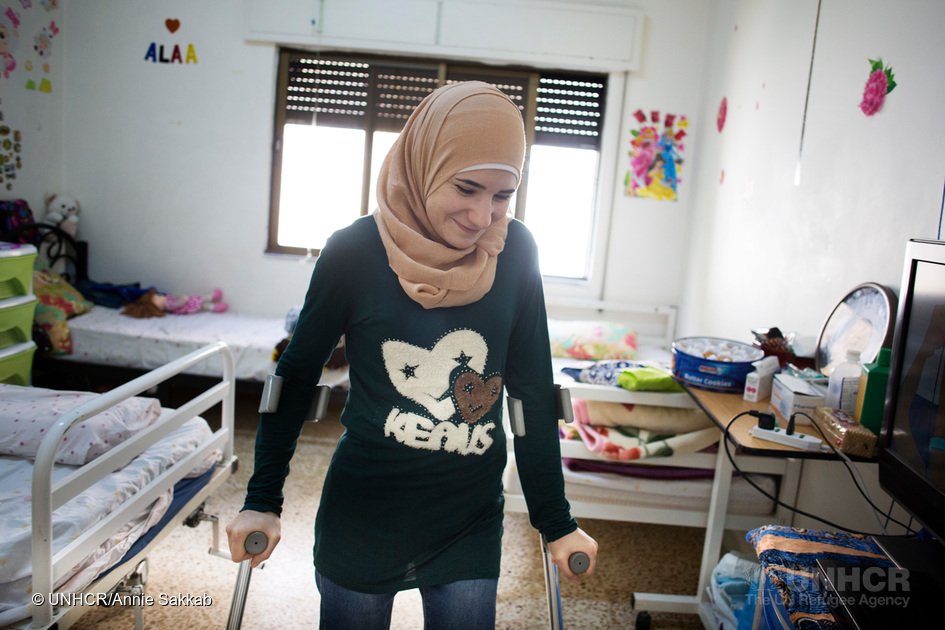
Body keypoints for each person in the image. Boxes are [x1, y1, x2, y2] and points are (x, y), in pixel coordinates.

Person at [226, 80, 598, 629]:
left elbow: (532, 395)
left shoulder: (516, 251)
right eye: (467, 188)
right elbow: (296, 376)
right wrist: (262, 499)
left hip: (468, 517)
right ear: (424, 166)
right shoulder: (354, 252)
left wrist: (555, 519)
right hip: (365, 510)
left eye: (502, 195)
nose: (482, 216)